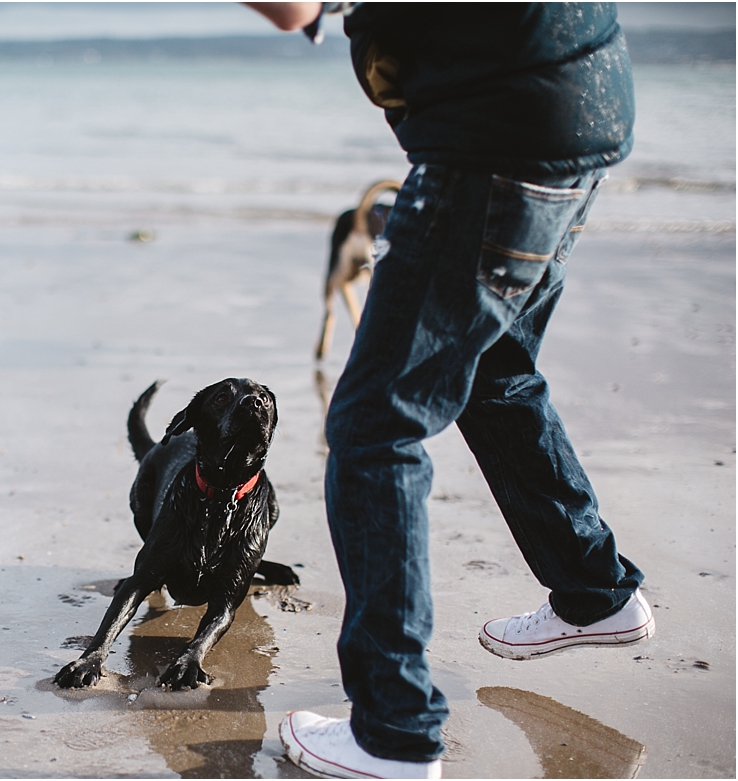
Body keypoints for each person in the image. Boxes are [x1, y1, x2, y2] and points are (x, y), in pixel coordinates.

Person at [246, 4, 654, 778]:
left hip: (494, 136)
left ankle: (393, 732)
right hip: (585, 95)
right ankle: (593, 590)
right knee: (496, 369)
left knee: (373, 426)